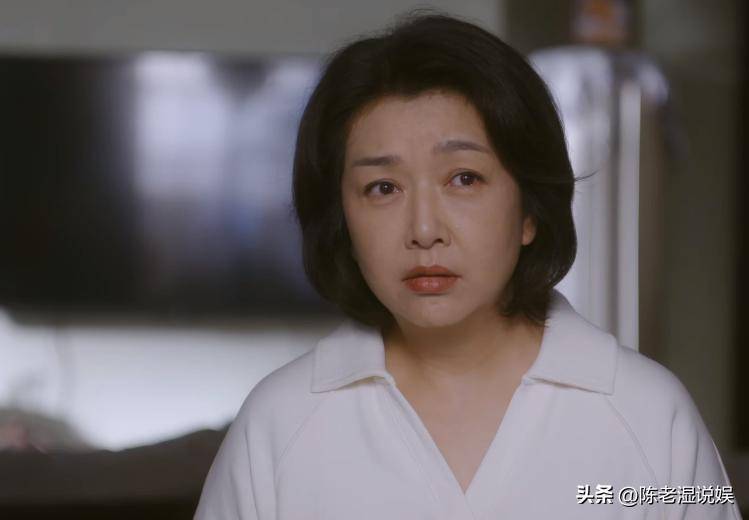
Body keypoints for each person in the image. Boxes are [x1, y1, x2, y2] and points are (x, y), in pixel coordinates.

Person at [194, 12, 741, 520]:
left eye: (464, 179)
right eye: (382, 187)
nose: (424, 229)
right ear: (343, 222)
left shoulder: (650, 414)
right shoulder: (278, 425)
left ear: (529, 211)